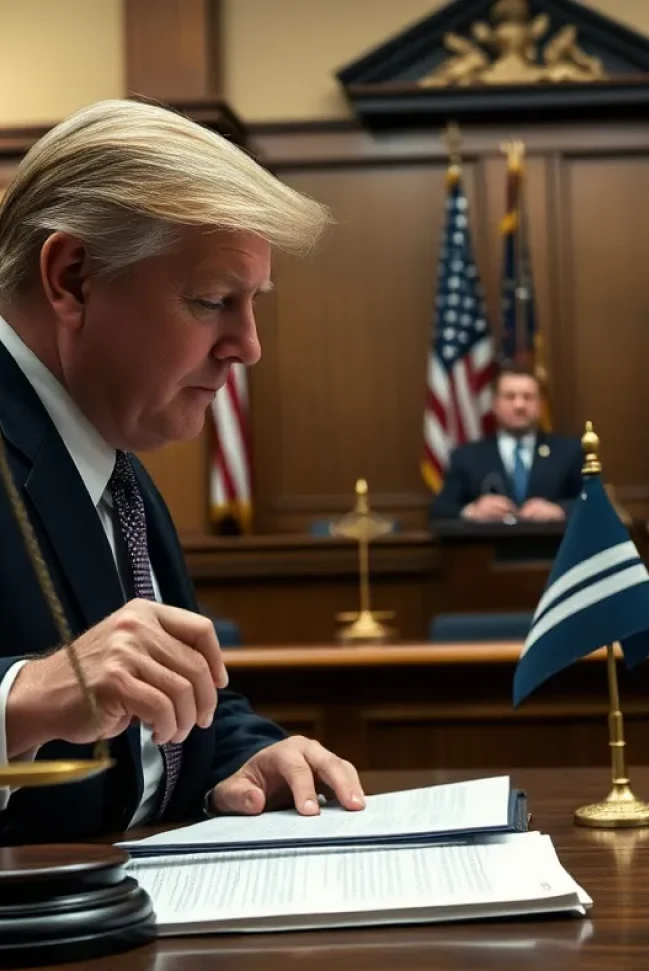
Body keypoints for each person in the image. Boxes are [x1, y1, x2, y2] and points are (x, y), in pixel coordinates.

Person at [0, 99, 364, 844]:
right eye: (211, 301)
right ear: (73, 277)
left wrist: (247, 754)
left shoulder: (109, 457)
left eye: (251, 304)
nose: (248, 346)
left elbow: (147, 700)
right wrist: (20, 700)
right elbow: (66, 688)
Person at [429, 365, 583, 523]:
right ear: (495, 404)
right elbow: (441, 509)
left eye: (528, 397)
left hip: (551, 546)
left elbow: (594, 504)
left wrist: (560, 511)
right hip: (487, 546)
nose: (519, 405)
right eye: (510, 397)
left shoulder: (570, 452)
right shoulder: (466, 456)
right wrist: (472, 511)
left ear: (541, 404)